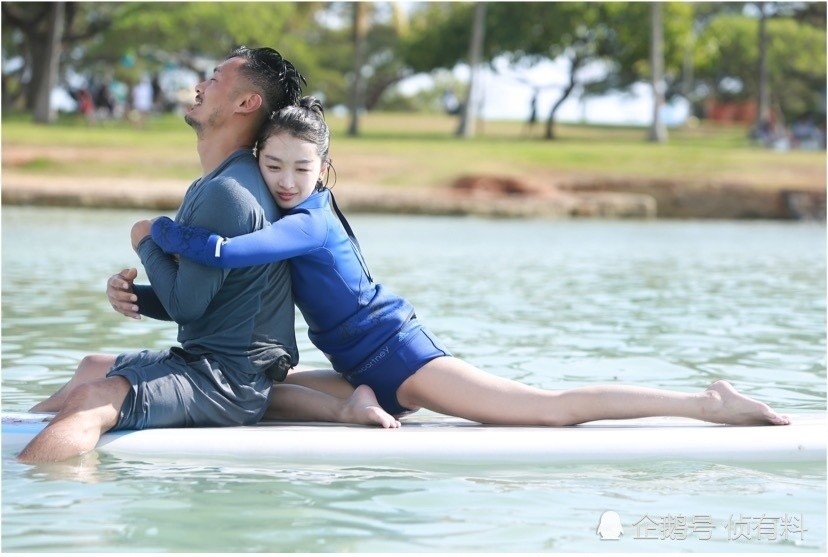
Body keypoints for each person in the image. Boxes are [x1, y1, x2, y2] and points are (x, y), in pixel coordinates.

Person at [147, 96, 790, 428]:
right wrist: (155, 299)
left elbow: (238, 252)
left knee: (549, 410)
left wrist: (167, 235)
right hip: (358, 366)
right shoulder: (288, 213)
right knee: (255, 389)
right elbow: (240, 289)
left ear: (324, 170)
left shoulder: (308, 222)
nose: (287, 180)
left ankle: (707, 404)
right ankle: (363, 407)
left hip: (399, 354)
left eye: (302, 168)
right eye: (273, 166)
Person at [19, 48, 398, 465]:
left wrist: (144, 241)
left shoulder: (228, 194)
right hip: (210, 363)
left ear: (245, 103)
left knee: (92, 398)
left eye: (214, 80)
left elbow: (187, 306)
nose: (199, 86)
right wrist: (138, 297)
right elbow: (209, 299)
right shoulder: (220, 182)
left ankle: (31, 495)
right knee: (92, 367)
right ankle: (21, 434)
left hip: (223, 383)